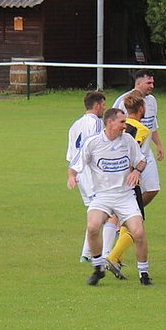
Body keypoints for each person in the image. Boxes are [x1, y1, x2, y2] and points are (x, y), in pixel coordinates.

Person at [74, 108, 153, 286]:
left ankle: (144, 274)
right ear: (110, 122)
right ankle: (98, 268)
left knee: (138, 232)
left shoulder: (128, 140)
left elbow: (141, 160)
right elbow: (76, 164)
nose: (125, 125)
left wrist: (137, 171)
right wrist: (71, 176)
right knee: (92, 227)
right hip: (102, 196)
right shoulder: (93, 142)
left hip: (125, 195)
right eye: (122, 122)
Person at [66, 90, 120, 266]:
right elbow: (99, 147)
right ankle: (106, 255)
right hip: (93, 175)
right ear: (96, 105)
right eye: (103, 105)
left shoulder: (75, 125)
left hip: (80, 175)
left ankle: (86, 255)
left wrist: (73, 175)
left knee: (95, 215)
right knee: (111, 212)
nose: (104, 108)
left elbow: (71, 156)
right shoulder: (97, 123)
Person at [113, 71, 164, 208]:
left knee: (153, 189)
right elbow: (112, 125)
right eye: (149, 83)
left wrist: (158, 145)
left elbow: (152, 125)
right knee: (126, 190)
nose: (152, 86)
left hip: (146, 152)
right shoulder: (123, 101)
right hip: (128, 152)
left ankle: (129, 212)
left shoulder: (152, 101)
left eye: (152, 82)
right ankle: (124, 215)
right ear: (139, 83)